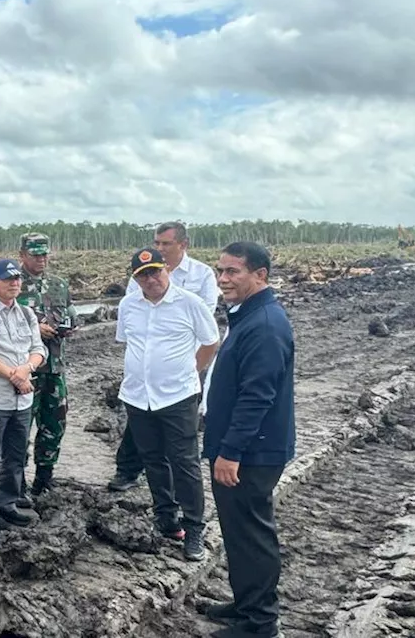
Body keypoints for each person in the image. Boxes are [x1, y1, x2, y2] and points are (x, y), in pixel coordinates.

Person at [203, 242, 295, 638]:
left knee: (252, 533)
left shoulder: (266, 325)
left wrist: (231, 451)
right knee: (238, 531)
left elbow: (258, 395)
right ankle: (246, 603)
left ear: (260, 276)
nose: (223, 279)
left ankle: (260, 623)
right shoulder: (249, 316)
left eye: (233, 272)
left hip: (251, 453)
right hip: (243, 449)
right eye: (220, 271)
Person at [115, 248, 219, 559]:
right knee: (152, 459)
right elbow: (127, 341)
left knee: (184, 462)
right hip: (137, 396)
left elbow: (210, 342)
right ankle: (166, 517)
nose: (151, 279)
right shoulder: (128, 304)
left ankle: (194, 527)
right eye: (143, 275)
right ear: (136, 279)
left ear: (167, 271)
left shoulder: (190, 303)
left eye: (155, 272)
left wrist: (191, 372)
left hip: (177, 396)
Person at [109, 221, 220, 491]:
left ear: (183, 245)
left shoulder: (202, 275)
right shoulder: (140, 277)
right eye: (157, 243)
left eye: (165, 244)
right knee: (141, 420)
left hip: (186, 359)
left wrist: (190, 368)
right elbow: (134, 312)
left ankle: (186, 504)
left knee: (181, 438)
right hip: (148, 366)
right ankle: (129, 470)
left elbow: (205, 325)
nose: (159, 247)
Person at [0, 258, 46, 530]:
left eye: (17, 279)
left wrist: (27, 368)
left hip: (23, 398)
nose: (14, 283)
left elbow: (39, 349)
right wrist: (14, 375)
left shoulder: (27, 314)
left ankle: (7, 504)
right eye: (8, 279)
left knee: (16, 455)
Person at [17, 233, 78, 495]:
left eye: (44, 254)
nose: (41, 259)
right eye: (35, 254)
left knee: (54, 424)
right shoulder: (12, 284)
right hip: (25, 370)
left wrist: (66, 326)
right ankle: (15, 482)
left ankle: (44, 478)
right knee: (19, 428)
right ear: (22, 255)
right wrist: (35, 328)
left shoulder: (58, 285)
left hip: (55, 367)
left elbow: (73, 316)